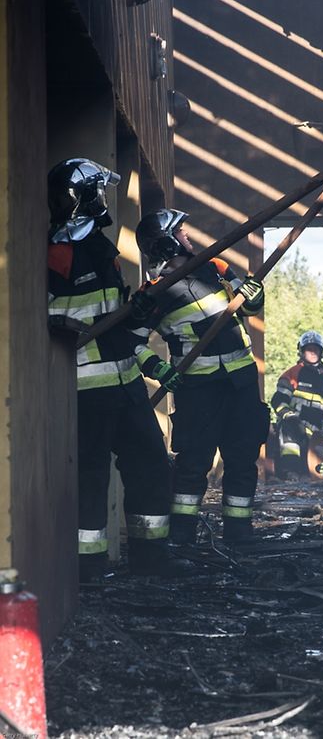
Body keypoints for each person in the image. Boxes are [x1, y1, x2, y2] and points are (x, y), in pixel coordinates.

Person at [47, 159, 193, 581]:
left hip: (126, 384)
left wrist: (137, 312)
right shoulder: (58, 253)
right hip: (87, 388)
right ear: (83, 196)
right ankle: (88, 568)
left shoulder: (100, 245)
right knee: (90, 477)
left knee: (150, 465)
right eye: (98, 191)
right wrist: (89, 327)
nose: (104, 199)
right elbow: (56, 318)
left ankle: (151, 561)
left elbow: (117, 324)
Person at [133, 208, 271, 545]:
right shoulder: (150, 294)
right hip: (198, 390)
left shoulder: (216, 266)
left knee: (241, 460)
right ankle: (182, 540)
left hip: (240, 383)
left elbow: (249, 308)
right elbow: (132, 344)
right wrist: (158, 369)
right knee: (193, 466)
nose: (187, 236)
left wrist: (256, 296)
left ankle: (239, 536)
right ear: (166, 242)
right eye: (180, 232)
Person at [271, 331, 323, 477]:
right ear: (302, 351)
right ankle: (289, 477)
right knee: (290, 451)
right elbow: (278, 400)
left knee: (318, 471)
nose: (312, 352)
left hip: (317, 431)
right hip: (293, 426)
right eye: (309, 349)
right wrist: (289, 417)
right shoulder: (292, 374)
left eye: (316, 349)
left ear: (321, 352)